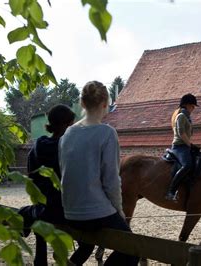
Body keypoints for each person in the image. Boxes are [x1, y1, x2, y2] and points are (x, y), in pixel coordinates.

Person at [59, 81, 138, 266]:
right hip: (95, 213)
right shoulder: (107, 133)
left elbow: (65, 172)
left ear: (82, 103)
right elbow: (111, 180)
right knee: (133, 249)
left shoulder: (67, 134)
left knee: (86, 246)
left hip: (70, 212)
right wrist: (118, 211)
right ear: (105, 104)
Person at [26, 104, 75, 266]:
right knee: (88, 242)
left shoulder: (35, 148)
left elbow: (31, 178)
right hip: (63, 210)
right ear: (66, 124)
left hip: (41, 208)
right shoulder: (68, 149)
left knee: (40, 251)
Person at [165, 93, 198, 201]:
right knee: (187, 165)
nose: (193, 108)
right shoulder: (181, 116)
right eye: (192, 106)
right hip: (179, 146)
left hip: (185, 146)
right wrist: (190, 144)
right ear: (187, 105)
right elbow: (181, 133)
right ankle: (171, 191)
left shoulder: (187, 117)